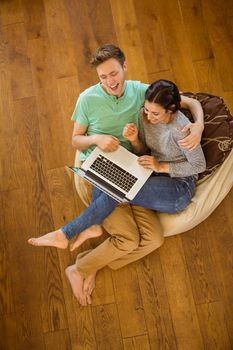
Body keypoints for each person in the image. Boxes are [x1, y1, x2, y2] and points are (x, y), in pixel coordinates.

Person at [28, 45, 204, 306]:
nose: (110, 82)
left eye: (114, 73)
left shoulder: (145, 95)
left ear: (125, 67)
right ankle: (85, 259)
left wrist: (198, 125)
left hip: (143, 173)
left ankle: (79, 238)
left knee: (151, 237)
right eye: (103, 77)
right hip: (111, 167)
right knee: (138, 238)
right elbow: (76, 140)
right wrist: (103, 139)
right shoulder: (90, 99)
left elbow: (187, 102)